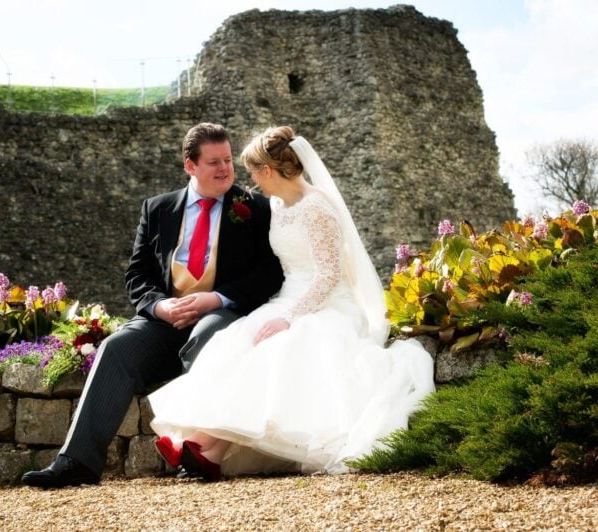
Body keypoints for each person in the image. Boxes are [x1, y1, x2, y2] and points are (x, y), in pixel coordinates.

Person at [149, 126, 435, 480]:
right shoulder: (277, 205)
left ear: (267, 171)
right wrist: (281, 311)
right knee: (239, 343)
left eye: (253, 173)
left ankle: (202, 442)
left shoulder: (317, 207)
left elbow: (329, 275)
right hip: (285, 300)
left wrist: (290, 317)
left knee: (279, 346)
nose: (251, 182)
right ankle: (208, 451)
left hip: (327, 305)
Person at [22, 123, 284, 488]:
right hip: (163, 321)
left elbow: (270, 273)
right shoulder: (157, 208)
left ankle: (197, 452)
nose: (225, 168)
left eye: (228, 160)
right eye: (214, 162)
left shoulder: (255, 209)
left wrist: (217, 298)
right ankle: (77, 462)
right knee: (116, 348)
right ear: (190, 166)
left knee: (208, 336)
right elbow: (137, 274)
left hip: (223, 314)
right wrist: (159, 307)